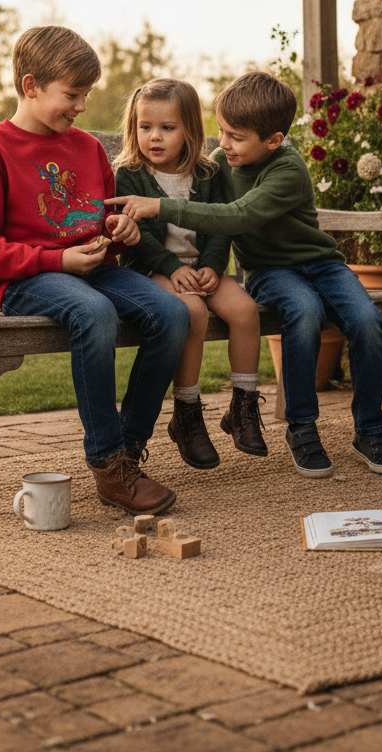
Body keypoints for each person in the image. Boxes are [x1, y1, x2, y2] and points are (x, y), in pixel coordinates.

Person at [106, 71, 382, 479]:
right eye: (222, 132)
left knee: (368, 321)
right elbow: (191, 217)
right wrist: (182, 263)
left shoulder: (287, 168)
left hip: (322, 264)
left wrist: (186, 237)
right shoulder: (218, 166)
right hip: (267, 271)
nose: (223, 144)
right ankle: (301, 428)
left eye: (236, 137)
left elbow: (235, 217)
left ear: (274, 140)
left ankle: (369, 430)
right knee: (303, 312)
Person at [0, 25, 190, 514]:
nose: (81, 106)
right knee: (96, 313)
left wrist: (119, 230)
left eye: (86, 94)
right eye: (72, 94)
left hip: (90, 268)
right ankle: (107, 462)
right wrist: (55, 260)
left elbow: (97, 214)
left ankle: (127, 449)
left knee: (173, 313)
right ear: (31, 85)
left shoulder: (85, 147)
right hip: (25, 280)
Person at [114, 78, 264, 471]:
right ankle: (187, 412)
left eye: (167, 128)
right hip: (151, 269)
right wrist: (172, 267)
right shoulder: (129, 174)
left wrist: (213, 266)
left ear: (190, 131)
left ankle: (243, 408)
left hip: (201, 270)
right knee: (193, 313)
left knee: (246, 311)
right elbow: (138, 239)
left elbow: (218, 227)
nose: (154, 137)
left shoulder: (207, 173)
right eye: (145, 127)